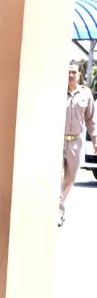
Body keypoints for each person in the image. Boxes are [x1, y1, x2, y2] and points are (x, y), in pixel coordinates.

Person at [61, 62, 95, 226]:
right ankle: (58, 211)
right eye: (68, 72)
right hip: (58, 141)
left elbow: (91, 120)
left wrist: (95, 141)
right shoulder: (57, 91)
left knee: (70, 178)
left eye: (74, 72)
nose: (71, 75)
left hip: (75, 142)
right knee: (58, 177)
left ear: (79, 74)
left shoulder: (85, 94)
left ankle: (59, 204)